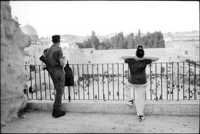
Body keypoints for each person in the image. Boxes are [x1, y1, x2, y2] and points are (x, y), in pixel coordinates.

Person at [122, 45, 159, 122]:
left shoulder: (131, 60)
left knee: (125, 87)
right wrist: (143, 58)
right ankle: (140, 115)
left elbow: (123, 57)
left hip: (132, 82)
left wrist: (135, 57)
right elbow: (156, 58)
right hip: (142, 83)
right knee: (140, 99)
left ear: (136, 53)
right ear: (143, 54)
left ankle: (130, 100)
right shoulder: (144, 61)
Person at [46, 35, 66, 118]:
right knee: (60, 90)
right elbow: (61, 63)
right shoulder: (58, 49)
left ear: (52, 41)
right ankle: (56, 110)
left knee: (58, 90)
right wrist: (64, 59)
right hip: (58, 72)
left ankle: (55, 109)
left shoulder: (49, 50)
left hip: (52, 72)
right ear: (59, 41)